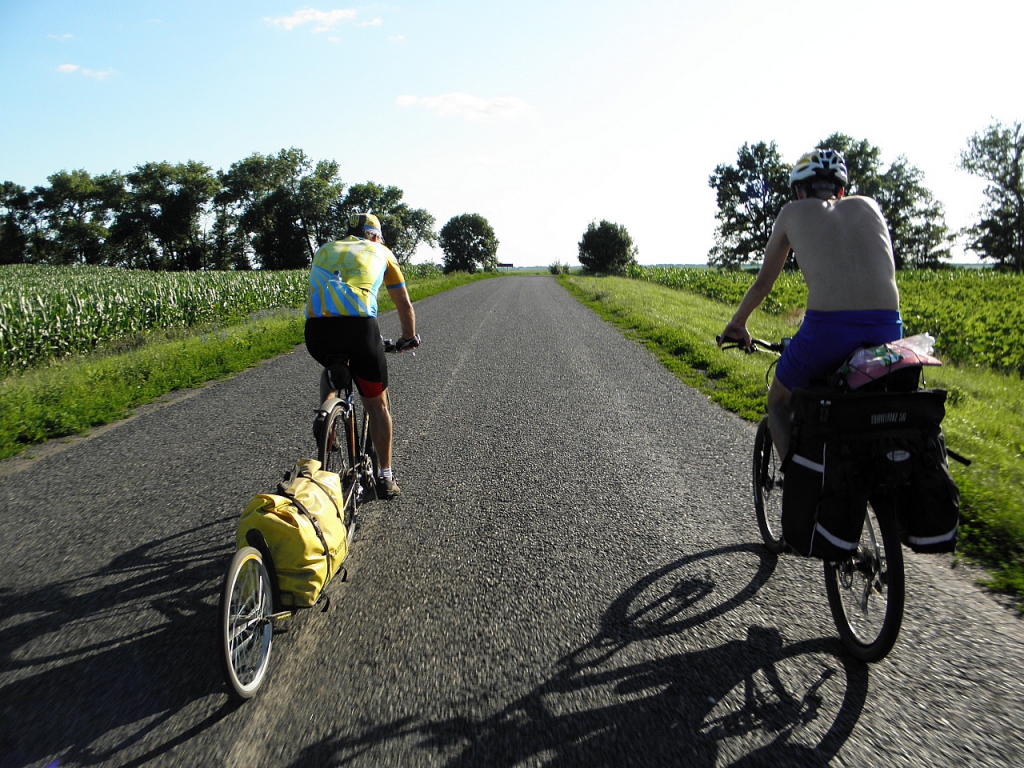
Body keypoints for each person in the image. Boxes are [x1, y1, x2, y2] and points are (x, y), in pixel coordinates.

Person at [718, 148, 902, 462]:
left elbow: (763, 283)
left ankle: (798, 479)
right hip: (888, 328)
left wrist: (737, 323)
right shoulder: (870, 205)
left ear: (801, 190)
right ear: (840, 190)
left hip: (828, 330)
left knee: (777, 402)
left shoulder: (792, 212)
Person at [305, 213, 419, 499]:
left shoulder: (324, 249)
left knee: (333, 365)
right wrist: (408, 337)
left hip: (316, 330)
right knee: (377, 406)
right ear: (375, 236)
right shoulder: (382, 252)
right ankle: (386, 477)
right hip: (359, 329)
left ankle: (326, 412)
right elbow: (404, 305)